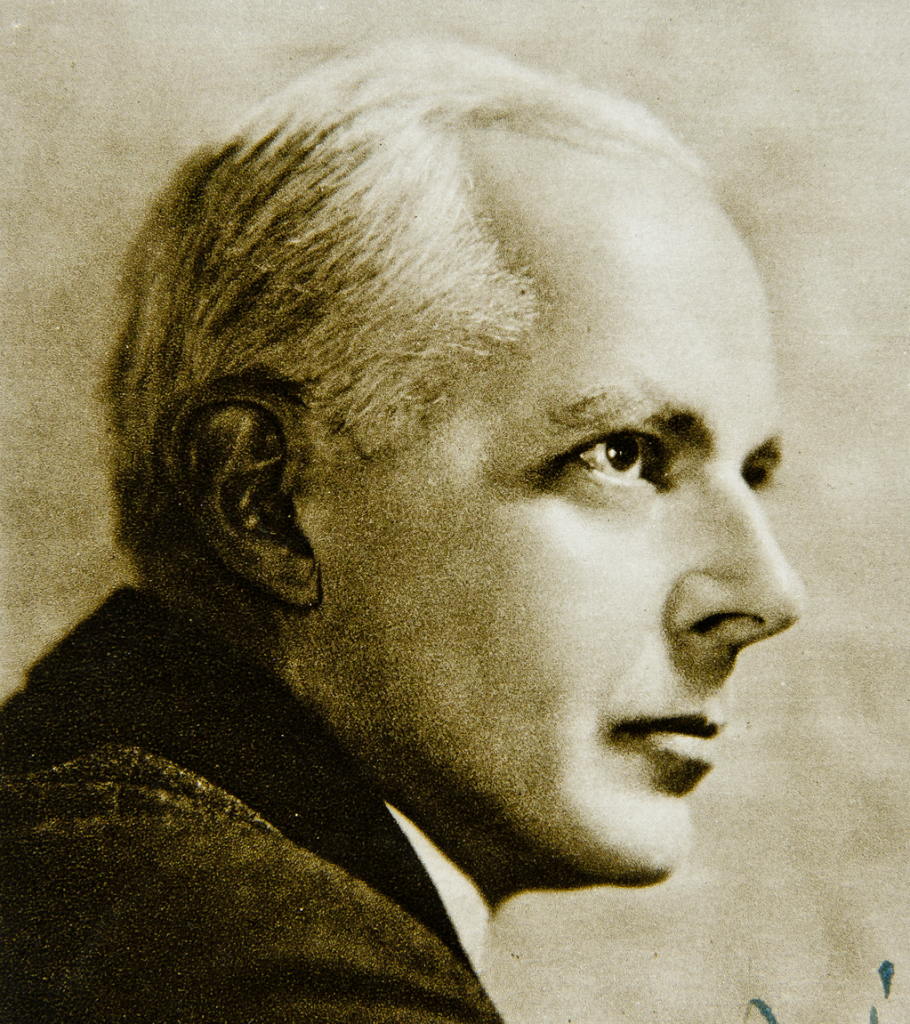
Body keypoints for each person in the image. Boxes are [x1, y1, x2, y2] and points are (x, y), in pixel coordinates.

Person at [0, 38, 804, 1023]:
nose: (767, 595)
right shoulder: (282, 980)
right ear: (265, 503)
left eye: (753, 475)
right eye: (622, 454)